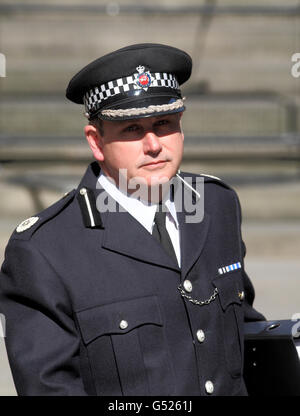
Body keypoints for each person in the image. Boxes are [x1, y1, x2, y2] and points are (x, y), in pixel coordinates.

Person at [0, 43, 265, 396]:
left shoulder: (217, 205)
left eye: (163, 123)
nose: (153, 144)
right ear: (96, 142)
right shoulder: (45, 251)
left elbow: (242, 335)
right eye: (131, 130)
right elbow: (50, 387)